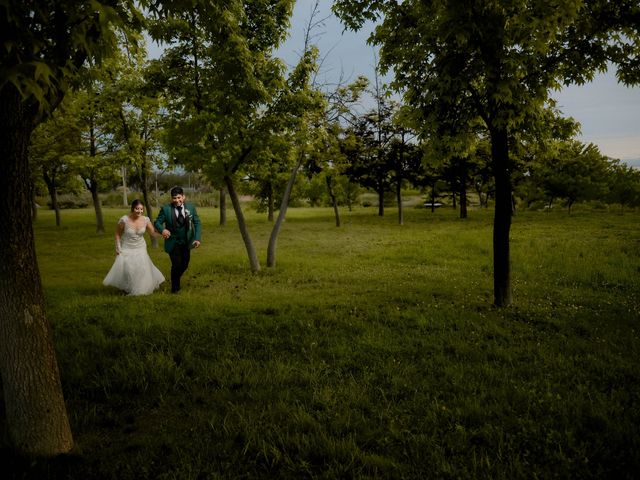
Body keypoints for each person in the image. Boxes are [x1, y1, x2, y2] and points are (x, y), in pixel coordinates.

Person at [103, 199, 165, 295]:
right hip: (127, 247)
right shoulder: (124, 220)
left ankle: (140, 288)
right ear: (132, 208)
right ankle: (128, 287)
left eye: (141, 209)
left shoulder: (145, 220)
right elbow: (117, 234)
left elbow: (153, 233)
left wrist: (163, 234)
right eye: (137, 209)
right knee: (128, 269)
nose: (139, 211)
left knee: (141, 268)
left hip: (140, 247)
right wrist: (118, 247)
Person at [154, 186, 202, 293]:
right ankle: (175, 289)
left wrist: (197, 238)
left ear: (183, 197)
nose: (177, 200)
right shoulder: (166, 209)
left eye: (179, 197)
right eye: (174, 198)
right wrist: (162, 230)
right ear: (171, 199)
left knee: (184, 264)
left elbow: (197, 223)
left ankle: (175, 278)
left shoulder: (191, 207)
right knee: (176, 264)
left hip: (187, 241)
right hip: (173, 241)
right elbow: (157, 222)